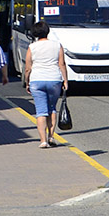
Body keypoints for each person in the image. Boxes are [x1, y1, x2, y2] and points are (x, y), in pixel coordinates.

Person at [23, 20, 67, 148]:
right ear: (47, 31)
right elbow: (62, 64)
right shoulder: (57, 45)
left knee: (41, 111)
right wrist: (65, 80)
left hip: (36, 81)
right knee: (52, 109)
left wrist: (27, 82)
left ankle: (43, 141)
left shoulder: (32, 47)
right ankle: (51, 136)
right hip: (54, 80)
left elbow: (27, 68)